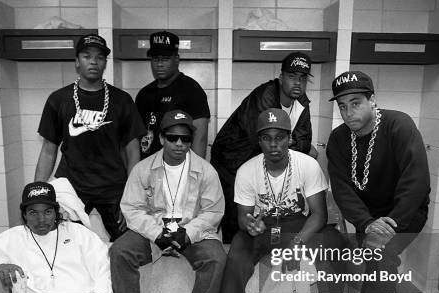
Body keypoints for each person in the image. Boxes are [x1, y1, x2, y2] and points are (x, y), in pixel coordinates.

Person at [205, 108, 352, 293]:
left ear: (290, 138)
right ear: (259, 140)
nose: (274, 144)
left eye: (280, 137)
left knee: (336, 243)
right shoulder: (247, 171)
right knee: (236, 257)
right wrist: (249, 225)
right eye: (267, 138)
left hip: (296, 222)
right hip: (262, 227)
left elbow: (319, 214)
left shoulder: (307, 165)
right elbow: (243, 216)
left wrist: (297, 242)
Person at [326, 71, 430, 293]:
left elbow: (416, 181)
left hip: (407, 212)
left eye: (355, 103)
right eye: (342, 106)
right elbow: (343, 190)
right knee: (375, 259)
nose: (348, 112)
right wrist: (368, 223)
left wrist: (390, 225)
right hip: (368, 216)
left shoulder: (399, 125)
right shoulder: (338, 140)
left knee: (379, 257)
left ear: (372, 100)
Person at [110, 110, 226, 293]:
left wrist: (187, 233)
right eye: (173, 138)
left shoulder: (206, 171)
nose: (180, 144)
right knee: (120, 251)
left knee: (216, 258)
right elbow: (131, 207)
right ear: (161, 138)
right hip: (153, 229)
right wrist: (157, 234)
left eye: (185, 139)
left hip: (192, 230)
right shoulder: (143, 169)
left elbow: (214, 211)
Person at [34, 34, 146, 241]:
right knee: (66, 243)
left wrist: (132, 197)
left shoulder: (122, 100)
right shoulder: (59, 99)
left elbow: (133, 152)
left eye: (99, 57)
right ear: (77, 62)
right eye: (87, 56)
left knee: (127, 244)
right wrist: (37, 193)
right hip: (72, 185)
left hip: (113, 186)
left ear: (105, 63)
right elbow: (49, 150)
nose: (93, 61)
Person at [211, 52, 317, 243]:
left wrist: (292, 143)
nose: (297, 83)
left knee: (268, 214)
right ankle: (232, 250)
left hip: (262, 161)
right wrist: (292, 142)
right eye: (292, 77)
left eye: (302, 78)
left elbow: (305, 142)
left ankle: (268, 251)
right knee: (237, 217)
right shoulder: (265, 97)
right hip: (232, 162)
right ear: (281, 77)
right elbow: (264, 141)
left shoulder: (301, 101)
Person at [136, 31, 210, 159]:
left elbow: (200, 137)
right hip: (149, 166)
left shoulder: (191, 90)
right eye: (155, 59)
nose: (159, 64)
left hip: (178, 168)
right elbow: (135, 137)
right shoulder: (144, 94)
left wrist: (194, 173)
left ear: (177, 59)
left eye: (165, 59)